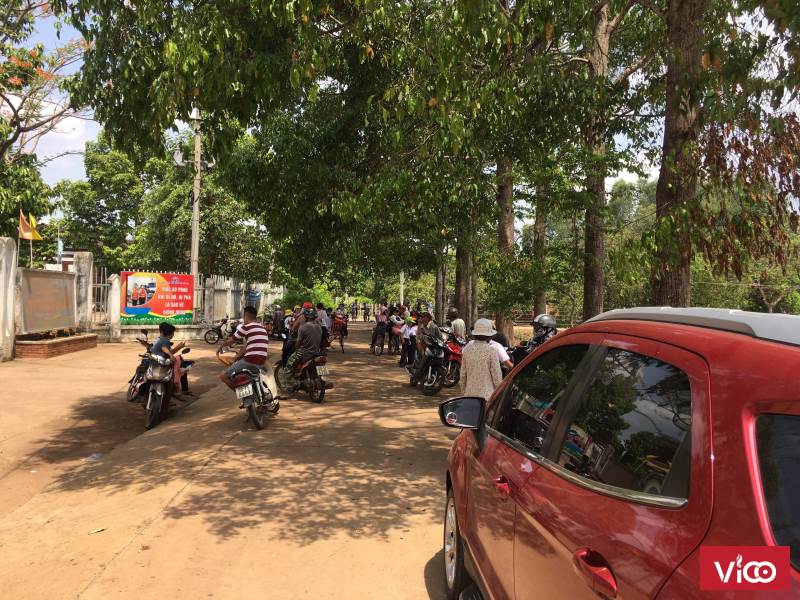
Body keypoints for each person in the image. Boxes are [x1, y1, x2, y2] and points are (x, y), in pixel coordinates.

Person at [218, 306, 270, 392]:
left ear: (245, 316)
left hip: (250, 360)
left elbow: (230, 341)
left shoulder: (246, 327)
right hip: (262, 362)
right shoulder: (262, 328)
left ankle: (241, 393)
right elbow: (246, 347)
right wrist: (236, 357)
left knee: (223, 376)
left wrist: (221, 346)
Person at [460, 318, 503, 400]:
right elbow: (497, 376)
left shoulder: (467, 350)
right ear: (489, 336)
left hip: (469, 395)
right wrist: (499, 394)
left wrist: (463, 393)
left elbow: (462, 375)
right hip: (487, 397)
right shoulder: (491, 351)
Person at [286, 307, 323, 375]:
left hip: (305, 353)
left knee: (291, 359)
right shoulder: (319, 327)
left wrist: (296, 348)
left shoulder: (303, 327)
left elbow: (298, 343)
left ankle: (290, 376)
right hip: (317, 352)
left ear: (306, 317)